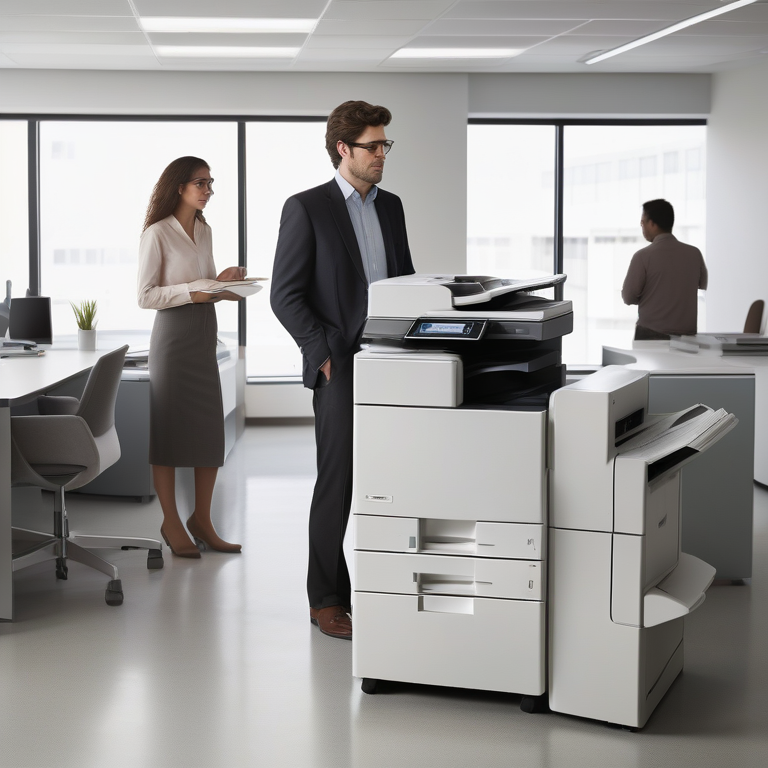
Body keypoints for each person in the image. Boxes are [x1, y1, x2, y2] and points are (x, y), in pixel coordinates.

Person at [270, 101, 415, 639]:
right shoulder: (307, 208)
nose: (382, 155)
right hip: (342, 367)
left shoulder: (392, 207)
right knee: (339, 483)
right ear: (343, 150)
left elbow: (403, 279)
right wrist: (324, 353)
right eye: (373, 146)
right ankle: (326, 598)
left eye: (385, 146)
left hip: (394, 363)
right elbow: (285, 296)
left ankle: (384, 589)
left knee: (395, 477)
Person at [137, 156, 245, 558]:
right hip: (173, 338)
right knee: (168, 431)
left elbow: (205, 284)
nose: (208, 189)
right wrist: (192, 292)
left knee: (207, 432)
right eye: (201, 182)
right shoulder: (157, 233)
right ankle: (171, 520)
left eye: (210, 183)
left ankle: (202, 519)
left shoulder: (204, 230)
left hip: (204, 334)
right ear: (179, 186)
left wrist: (224, 283)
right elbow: (145, 296)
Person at [622, 198, 708, 340]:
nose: (642, 227)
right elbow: (702, 285)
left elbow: (628, 297)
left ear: (652, 224)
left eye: (642, 222)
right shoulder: (694, 253)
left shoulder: (642, 256)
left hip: (651, 334)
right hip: (687, 337)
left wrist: (652, 297)